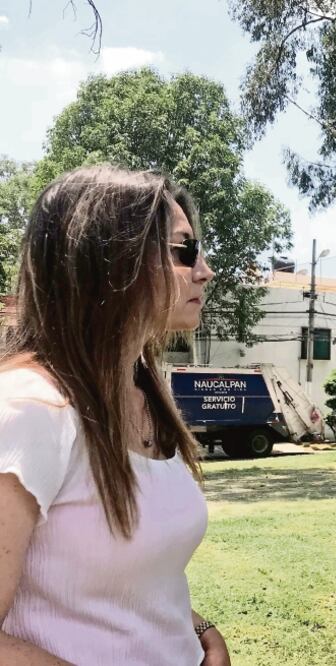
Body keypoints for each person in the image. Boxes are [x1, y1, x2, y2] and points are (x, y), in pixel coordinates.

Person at [0, 166, 229, 665]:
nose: (205, 270)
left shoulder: (147, 395)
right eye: (183, 250)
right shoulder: (29, 411)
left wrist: (198, 630)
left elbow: (127, 582)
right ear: (112, 261)